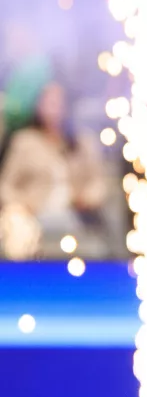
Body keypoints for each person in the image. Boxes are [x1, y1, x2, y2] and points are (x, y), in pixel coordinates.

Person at [0, 59, 107, 260]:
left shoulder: (82, 142)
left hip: (74, 218)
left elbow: (99, 184)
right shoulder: (24, 142)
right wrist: (23, 205)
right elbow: (5, 186)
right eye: (48, 101)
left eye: (58, 101)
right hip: (33, 218)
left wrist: (86, 198)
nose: (53, 107)